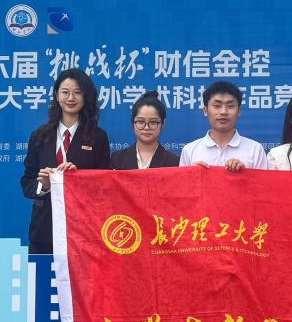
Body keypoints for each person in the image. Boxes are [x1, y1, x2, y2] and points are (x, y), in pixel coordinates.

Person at [21, 68, 110, 254]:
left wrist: (80, 178)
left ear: (86, 97)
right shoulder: (39, 136)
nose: (71, 98)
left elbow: (104, 186)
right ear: (56, 95)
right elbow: (27, 183)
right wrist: (44, 185)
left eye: (77, 92)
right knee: (43, 273)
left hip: (84, 232)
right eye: (65, 92)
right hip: (45, 231)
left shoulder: (98, 137)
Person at [180, 81, 269, 171]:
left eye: (230, 106)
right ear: (206, 110)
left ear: (239, 111)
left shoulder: (255, 150)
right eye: (217, 106)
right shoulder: (189, 150)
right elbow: (181, 180)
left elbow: (263, 180)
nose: (223, 112)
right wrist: (192, 174)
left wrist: (245, 174)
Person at [110, 91, 180, 170]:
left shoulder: (174, 162)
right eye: (141, 122)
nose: (146, 127)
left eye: (153, 122)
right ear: (133, 123)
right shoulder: (117, 159)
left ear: (163, 123)